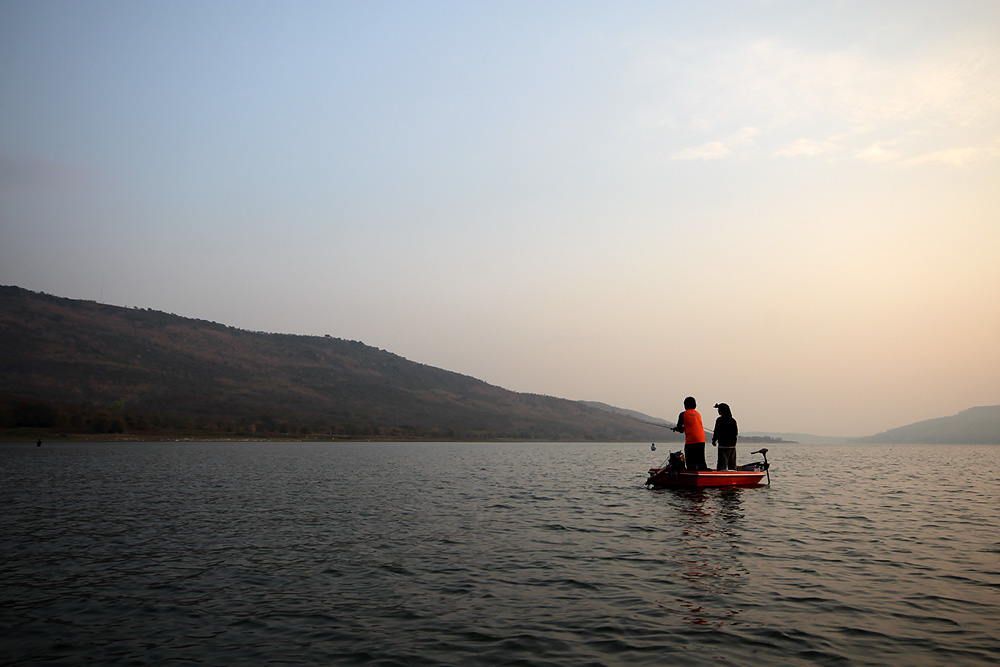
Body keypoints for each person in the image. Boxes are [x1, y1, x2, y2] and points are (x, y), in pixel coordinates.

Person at [672, 396, 710, 471]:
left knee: (690, 463)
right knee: (701, 461)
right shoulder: (698, 414)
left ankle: (691, 475)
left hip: (691, 441)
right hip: (701, 440)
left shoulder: (683, 414)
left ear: (685, 405)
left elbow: (680, 429)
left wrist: (676, 429)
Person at [712, 403, 738, 470]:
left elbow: (716, 432)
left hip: (723, 446)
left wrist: (714, 440)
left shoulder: (719, 420)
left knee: (722, 465)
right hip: (732, 446)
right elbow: (736, 433)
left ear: (721, 411)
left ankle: (721, 478)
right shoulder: (733, 421)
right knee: (732, 465)